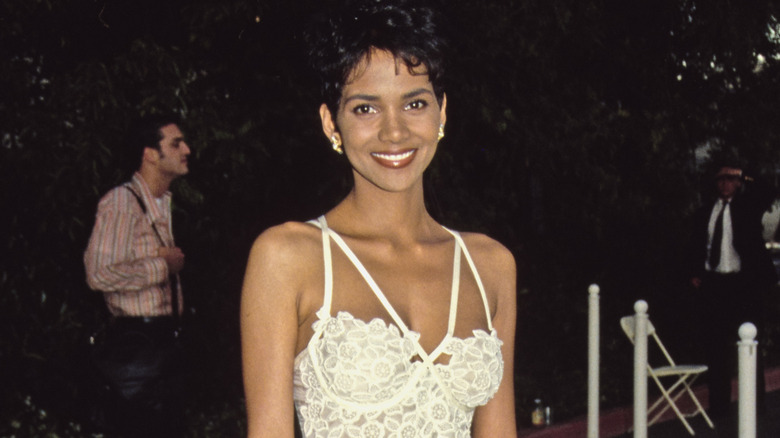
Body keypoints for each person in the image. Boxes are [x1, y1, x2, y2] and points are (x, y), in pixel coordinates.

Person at [240, 1, 518, 437]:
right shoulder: (288, 257)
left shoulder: (490, 265)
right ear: (331, 123)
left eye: (415, 103)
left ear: (441, 111)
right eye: (365, 109)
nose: (394, 131)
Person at [84, 114, 190, 437]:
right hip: (136, 354)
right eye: (176, 143)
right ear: (150, 154)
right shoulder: (121, 203)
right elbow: (98, 274)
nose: (187, 149)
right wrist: (162, 267)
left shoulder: (160, 204)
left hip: (163, 348)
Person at [687, 163, 777, 419]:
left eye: (730, 178)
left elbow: (768, 189)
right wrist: (695, 273)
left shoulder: (748, 206)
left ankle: (755, 408)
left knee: (750, 346)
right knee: (716, 347)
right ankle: (719, 410)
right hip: (714, 284)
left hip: (743, 284)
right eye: (721, 179)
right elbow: (696, 243)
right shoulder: (706, 211)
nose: (725, 183)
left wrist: (745, 173)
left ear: (738, 182)